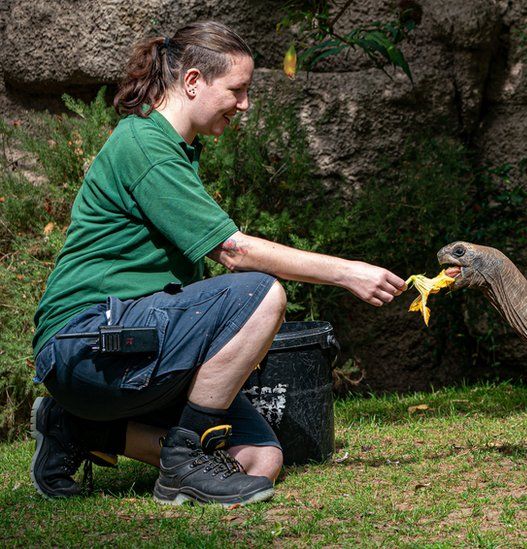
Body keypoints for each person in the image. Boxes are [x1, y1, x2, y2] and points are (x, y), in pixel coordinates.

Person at [28, 21, 406, 506]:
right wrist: (347, 271)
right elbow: (234, 252)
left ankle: (76, 426)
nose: (245, 105)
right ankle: (184, 463)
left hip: (134, 344)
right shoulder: (145, 147)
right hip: (84, 344)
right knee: (262, 292)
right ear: (192, 82)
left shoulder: (177, 150)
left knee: (260, 460)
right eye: (237, 90)